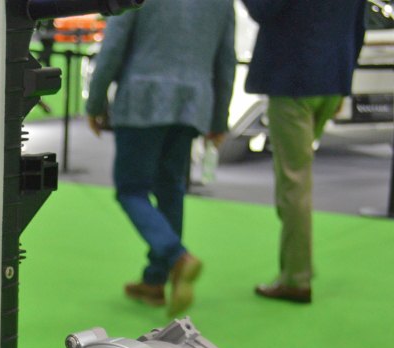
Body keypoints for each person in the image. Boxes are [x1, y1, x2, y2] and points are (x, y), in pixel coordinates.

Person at [87, 0, 236, 316]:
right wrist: (218, 120)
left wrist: (95, 102)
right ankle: (155, 281)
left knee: (131, 190)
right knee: (171, 190)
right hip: (192, 105)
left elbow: (113, 46)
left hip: (142, 99)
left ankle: (176, 256)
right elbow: (226, 61)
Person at [242, 0, 368, 304]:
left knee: (293, 183)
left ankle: (296, 278)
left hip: (293, 80)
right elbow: (358, 26)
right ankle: (297, 270)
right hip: (331, 79)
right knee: (299, 177)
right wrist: (344, 83)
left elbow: (262, 10)